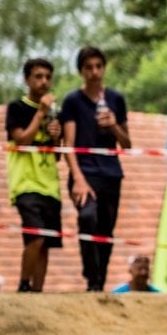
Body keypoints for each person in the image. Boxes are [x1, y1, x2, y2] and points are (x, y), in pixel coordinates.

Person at [61, 46, 130, 291]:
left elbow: (127, 143)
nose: (94, 72)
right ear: (81, 71)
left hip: (111, 172)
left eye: (98, 66)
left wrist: (113, 125)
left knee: (106, 230)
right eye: (89, 67)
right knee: (87, 217)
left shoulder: (115, 99)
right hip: (85, 172)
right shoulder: (72, 101)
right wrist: (78, 179)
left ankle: (99, 282)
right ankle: (91, 278)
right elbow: (67, 145)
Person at [6, 58, 64, 292]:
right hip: (25, 183)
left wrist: (55, 136)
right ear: (27, 79)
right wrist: (40, 114)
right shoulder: (17, 108)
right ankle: (23, 284)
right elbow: (21, 140)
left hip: (50, 184)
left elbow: (58, 155)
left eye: (48, 77)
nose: (44, 82)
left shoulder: (54, 112)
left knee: (46, 243)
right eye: (38, 76)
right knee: (35, 237)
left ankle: (38, 292)